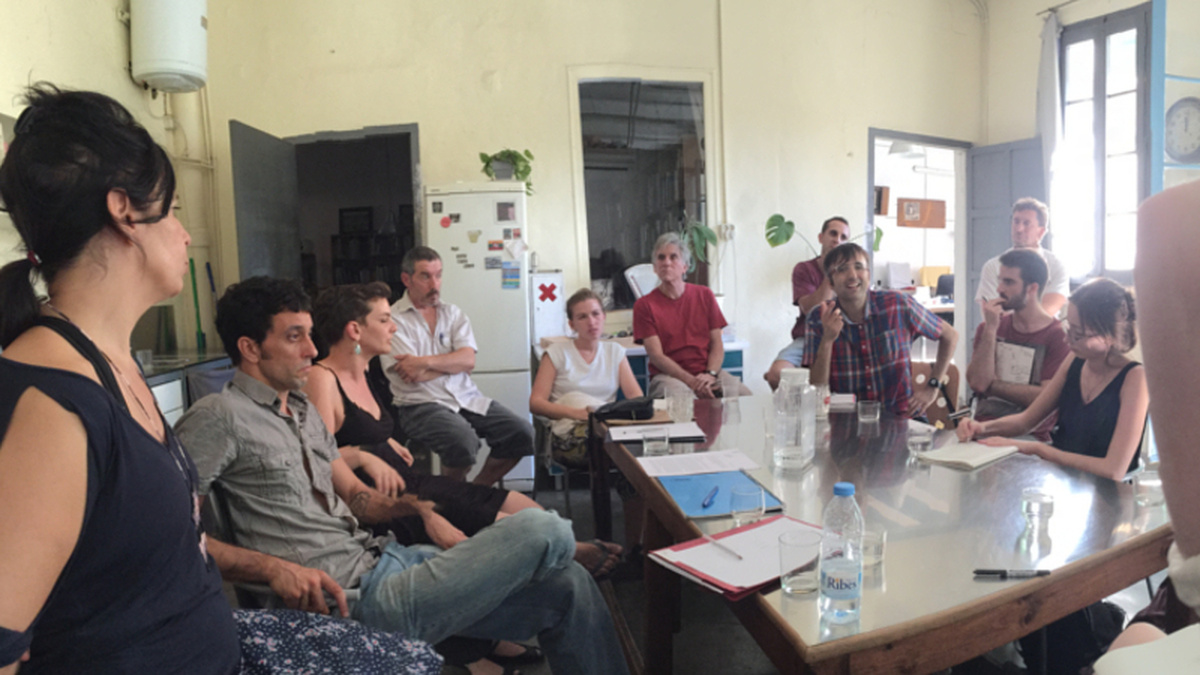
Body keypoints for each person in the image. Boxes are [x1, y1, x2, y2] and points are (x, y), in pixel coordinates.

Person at [176, 276, 629, 675]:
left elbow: (356, 496)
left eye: (310, 335)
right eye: (295, 337)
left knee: (569, 586)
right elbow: (172, 538)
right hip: (352, 599)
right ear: (250, 348)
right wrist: (271, 568)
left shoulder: (301, 411)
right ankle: (573, 551)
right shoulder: (219, 417)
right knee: (543, 528)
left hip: (386, 562)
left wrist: (422, 512)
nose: (312, 350)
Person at [0, 84, 241, 674]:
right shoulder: (53, 406)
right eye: (174, 210)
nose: (185, 234)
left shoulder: (108, 360)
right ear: (124, 210)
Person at [305, 282, 621, 576]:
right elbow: (318, 461)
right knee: (524, 526)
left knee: (523, 506)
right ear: (355, 330)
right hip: (391, 503)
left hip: (412, 481)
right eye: (385, 320)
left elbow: (358, 428)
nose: (394, 327)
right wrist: (364, 455)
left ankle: (568, 549)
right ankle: (573, 554)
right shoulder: (322, 380)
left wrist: (385, 441)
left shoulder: (362, 373)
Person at [956, 278, 1147, 481]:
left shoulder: (1135, 378)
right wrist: (981, 428)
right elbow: (1026, 421)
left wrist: (1039, 449)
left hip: (1107, 493)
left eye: (1078, 335)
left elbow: (1114, 469)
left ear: (1110, 336)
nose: (1067, 339)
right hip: (1068, 483)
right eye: (1068, 329)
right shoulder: (1075, 360)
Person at [381, 246, 534, 485]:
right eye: (425, 276)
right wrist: (453, 363)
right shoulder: (392, 320)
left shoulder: (453, 313)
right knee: (463, 442)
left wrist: (424, 362)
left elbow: (468, 360)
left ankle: (475, 492)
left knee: (522, 433)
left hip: (466, 397)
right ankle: (454, 498)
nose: (435, 284)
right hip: (420, 404)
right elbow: (411, 374)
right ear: (406, 279)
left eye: (438, 275)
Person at [804, 242, 959, 417]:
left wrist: (933, 387)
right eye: (842, 269)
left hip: (901, 418)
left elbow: (950, 335)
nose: (852, 275)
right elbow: (817, 389)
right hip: (846, 422)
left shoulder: (898, 305)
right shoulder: (818, 318)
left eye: (859, 267)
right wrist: (827, 340)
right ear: (830, 283)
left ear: (869, 275)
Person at [530, 288, 643, 466]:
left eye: (595, 314)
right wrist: (577, 413)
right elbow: (536, 403)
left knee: (638, 445)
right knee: (613, 450)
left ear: (604, 317)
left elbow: (636, 399)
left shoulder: (615, 352)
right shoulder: (556, 353)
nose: (591, 322)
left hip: (605, 428)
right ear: (572, 324)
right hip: (570, 434)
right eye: (582, 317)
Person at [964, 248, 1070, 439]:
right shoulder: (988, 328)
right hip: (983, 429)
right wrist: (991, 329)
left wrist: (993, 385)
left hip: (1031, 436)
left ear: (1032, 288)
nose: (999, 289)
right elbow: (978, 383)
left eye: (1009, 282)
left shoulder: (1057, 336)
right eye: (1000, 280)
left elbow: (1045, 397)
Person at [633, 232, 750, 399]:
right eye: (661, 258)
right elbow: (657, 357)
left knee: (745, 397)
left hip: (708, 374)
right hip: (668, 377)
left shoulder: (705, 295)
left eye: (673, 257)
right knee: (685, 404)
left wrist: (710, 374)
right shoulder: (644, 305)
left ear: (685, 266)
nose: (667, 262)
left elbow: (717, 344)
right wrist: (692, 382)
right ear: (655, 268)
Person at [764, 216, 851, 390]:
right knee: (775, 375)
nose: (837, 240)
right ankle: (807, 401)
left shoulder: (852, 273)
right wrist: (830, 273)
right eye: (833, 234)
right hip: (808, 337)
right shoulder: (804, 269)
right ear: (821, 237)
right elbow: (811, 309)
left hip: (844, 336)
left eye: (843, 237)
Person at [974, 197, 1070, 316]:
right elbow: (992, 314)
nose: (1019, 229)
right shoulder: (993, 266)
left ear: (1041, 232)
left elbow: (1049, 310)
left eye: (1026, 223)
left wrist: (1018, 321)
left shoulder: (1056, 266)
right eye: (1016, 222)